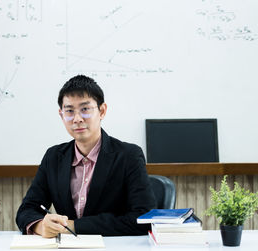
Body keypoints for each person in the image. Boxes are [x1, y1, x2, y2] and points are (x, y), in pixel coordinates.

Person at [16, 75, 155, 237]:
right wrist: (40, 226)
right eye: (69, 111)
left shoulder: (128, 155)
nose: (77, 119)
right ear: (61, 115)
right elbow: (27, 210)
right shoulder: (54, 157)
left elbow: (143, 218)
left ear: (102, 111)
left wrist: (74, 226)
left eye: (85, 109)